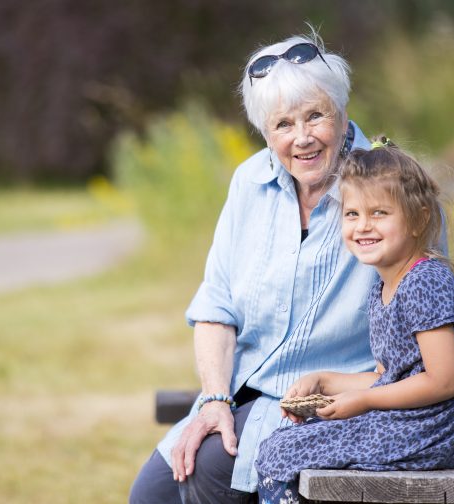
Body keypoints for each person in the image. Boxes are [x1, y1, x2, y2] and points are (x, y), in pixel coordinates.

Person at [130, 32, 385, 503]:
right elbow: (216, 306)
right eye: (283, 124)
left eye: (315, 116)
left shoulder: (389, 189)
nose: (302, 137)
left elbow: (422, 325)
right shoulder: (250, 181)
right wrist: (213, 399)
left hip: (328, 408)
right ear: (265, 132)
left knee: (207, 473)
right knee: (152, 495)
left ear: (342, 110)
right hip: (242, 392)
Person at [254, 139, 454, 504]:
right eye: (352, 214)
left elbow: (443, 381)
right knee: (287, 440)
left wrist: (364, 402)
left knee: (281, 452)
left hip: (435, 429)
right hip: (410, 422)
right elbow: (389, 378)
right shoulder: (383, 287)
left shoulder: (425, 281)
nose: (363, 226)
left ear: (419, 218)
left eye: (379, 213)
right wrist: (325, 381)